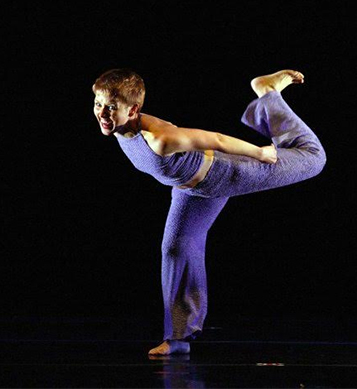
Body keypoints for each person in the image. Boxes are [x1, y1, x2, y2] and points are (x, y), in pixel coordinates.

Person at [92, 68, 326, 355]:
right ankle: (178, 339)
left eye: (112, 107)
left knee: (313, 158)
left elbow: (215, 139)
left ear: (134, 110)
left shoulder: (160, 139)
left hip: (226, 173)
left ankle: (267, 92)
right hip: (192, 191)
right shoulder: (119, 127)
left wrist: (259, 153)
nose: (102, 113)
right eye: (98, 104)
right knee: (176, 250)